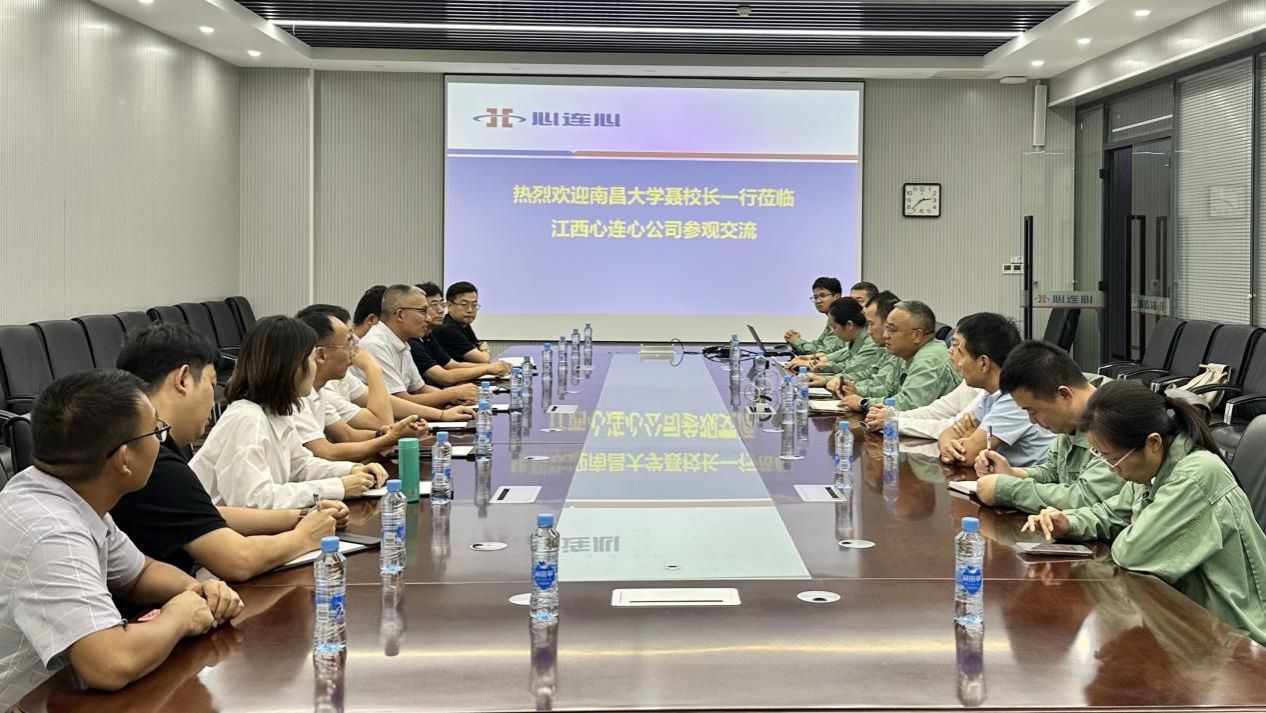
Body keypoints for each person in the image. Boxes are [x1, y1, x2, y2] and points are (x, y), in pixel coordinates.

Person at [0, 371, 243, 708]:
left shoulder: (65, 489)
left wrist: (195, 591)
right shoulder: (53, 533)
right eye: (156, 431)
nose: (161, 441)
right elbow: (110, 663)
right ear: (124, 460)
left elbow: (139, 573)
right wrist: (180, 617)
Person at [1021, 381, 1266, 644]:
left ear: (1153, 443)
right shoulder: (1154, 468)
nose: (1112, 469)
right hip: (1188, 619)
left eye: (1112, 458)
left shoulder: (1195, 475)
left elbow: (1133, 552)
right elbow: (1113, 514)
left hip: (1235, 634)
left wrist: (1132, 528)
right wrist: (1069, 522)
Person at [112, 324, 345, 581]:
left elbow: (206, 512)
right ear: (183, 379)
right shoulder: (155, 462)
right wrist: (304, 537)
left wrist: (297, 516)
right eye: (212, 383)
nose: (214, 399)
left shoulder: (149, 445)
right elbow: (239, 560)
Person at [190, 316, 387, 509]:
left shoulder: (278, 410)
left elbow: (301, 466)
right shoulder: (247, 419)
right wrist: (338, 487)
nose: (315, 367)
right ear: (291, 366)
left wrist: (351, 470)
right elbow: (255, 500)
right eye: (311, 359)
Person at [973, 341, 1127, 514]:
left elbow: (1085, 497)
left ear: (1064, 395)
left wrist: (1007, 489)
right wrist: (1012, 473)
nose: (1032, 420)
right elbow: (1054, 471)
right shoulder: (1072, 419)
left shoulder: (1116, 420)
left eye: (1033, 411)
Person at [303, 303, 475, 426]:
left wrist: (442, 414)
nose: (356, 341)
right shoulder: (374, 345)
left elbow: (398, 400)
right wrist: (372, 367)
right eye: (349, 338)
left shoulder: (405, 343)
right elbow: (380, 422)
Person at [294, 309, 431, 462]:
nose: (355, 348)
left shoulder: (318, 391)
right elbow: (326, 452)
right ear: (321, 355)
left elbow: (347, 435)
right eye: (348, 342)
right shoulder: (297, 396)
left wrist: (389, 433)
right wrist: (373, 367)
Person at [930, 313, 1054, 467]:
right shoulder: (991, 394)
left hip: (1033, 478)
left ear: (983, 363)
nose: (951, 353)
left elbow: (967, 456)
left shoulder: (1015, 398)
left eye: (959, 351)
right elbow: (947, 434)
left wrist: (966, 440)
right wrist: (950, 443)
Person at [355, 284, 478, 408]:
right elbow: (400, 401)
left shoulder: (402, 342)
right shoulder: (375, 344)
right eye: (423, 311)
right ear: (400, 315)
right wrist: (452, 394)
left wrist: (456, 399)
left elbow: (420, 389)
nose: (428, 318)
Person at [843, 300, 960, 417]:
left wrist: (864, 403)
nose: (885, 335)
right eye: (886, 328)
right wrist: (857, 390)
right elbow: (889, 390)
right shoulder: (906, 353)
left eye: (892, 330)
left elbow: (909, 404)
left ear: (917, 335)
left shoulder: (929, 359)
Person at [410, 282, 510, 386]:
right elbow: (444, 377)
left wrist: (490, 367)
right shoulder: (413, 340)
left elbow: (452, 365)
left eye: (441, 304)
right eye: (434, 305)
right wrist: (487, 368)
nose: (441, 310)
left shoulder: (428, 336)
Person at [825, 290, 903, 408]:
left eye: (871, 324)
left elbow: (904, 401)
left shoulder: (922, 357)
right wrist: (853, 388)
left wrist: (862, 401)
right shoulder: (889, 348)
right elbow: (874, 376)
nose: (869, 331)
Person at [804, 296, 882, 383]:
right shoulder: (855, 340)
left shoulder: (871, 343)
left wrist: (825, 380)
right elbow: (848, 364)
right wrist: (826, 366)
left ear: (849, 325)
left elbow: (852, 370)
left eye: (834, 327)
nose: (834, 332)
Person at [432, 281, 492, 364]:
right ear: (449, 306)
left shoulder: (464, 324)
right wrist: (485, 349)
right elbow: (484, 359)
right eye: (464, 304)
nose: (470, 310)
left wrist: (481, 350)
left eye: (474, 305)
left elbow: (477, 347)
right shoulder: (447, 329)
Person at [784, 276, 844, 357]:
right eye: (815, 297)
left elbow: (826, 351)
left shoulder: (841, 318)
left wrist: (796, 341)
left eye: (823, 296)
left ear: (837, 297)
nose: (818, 301)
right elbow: (819, 344)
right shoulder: (831, 319)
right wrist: (795, 340)